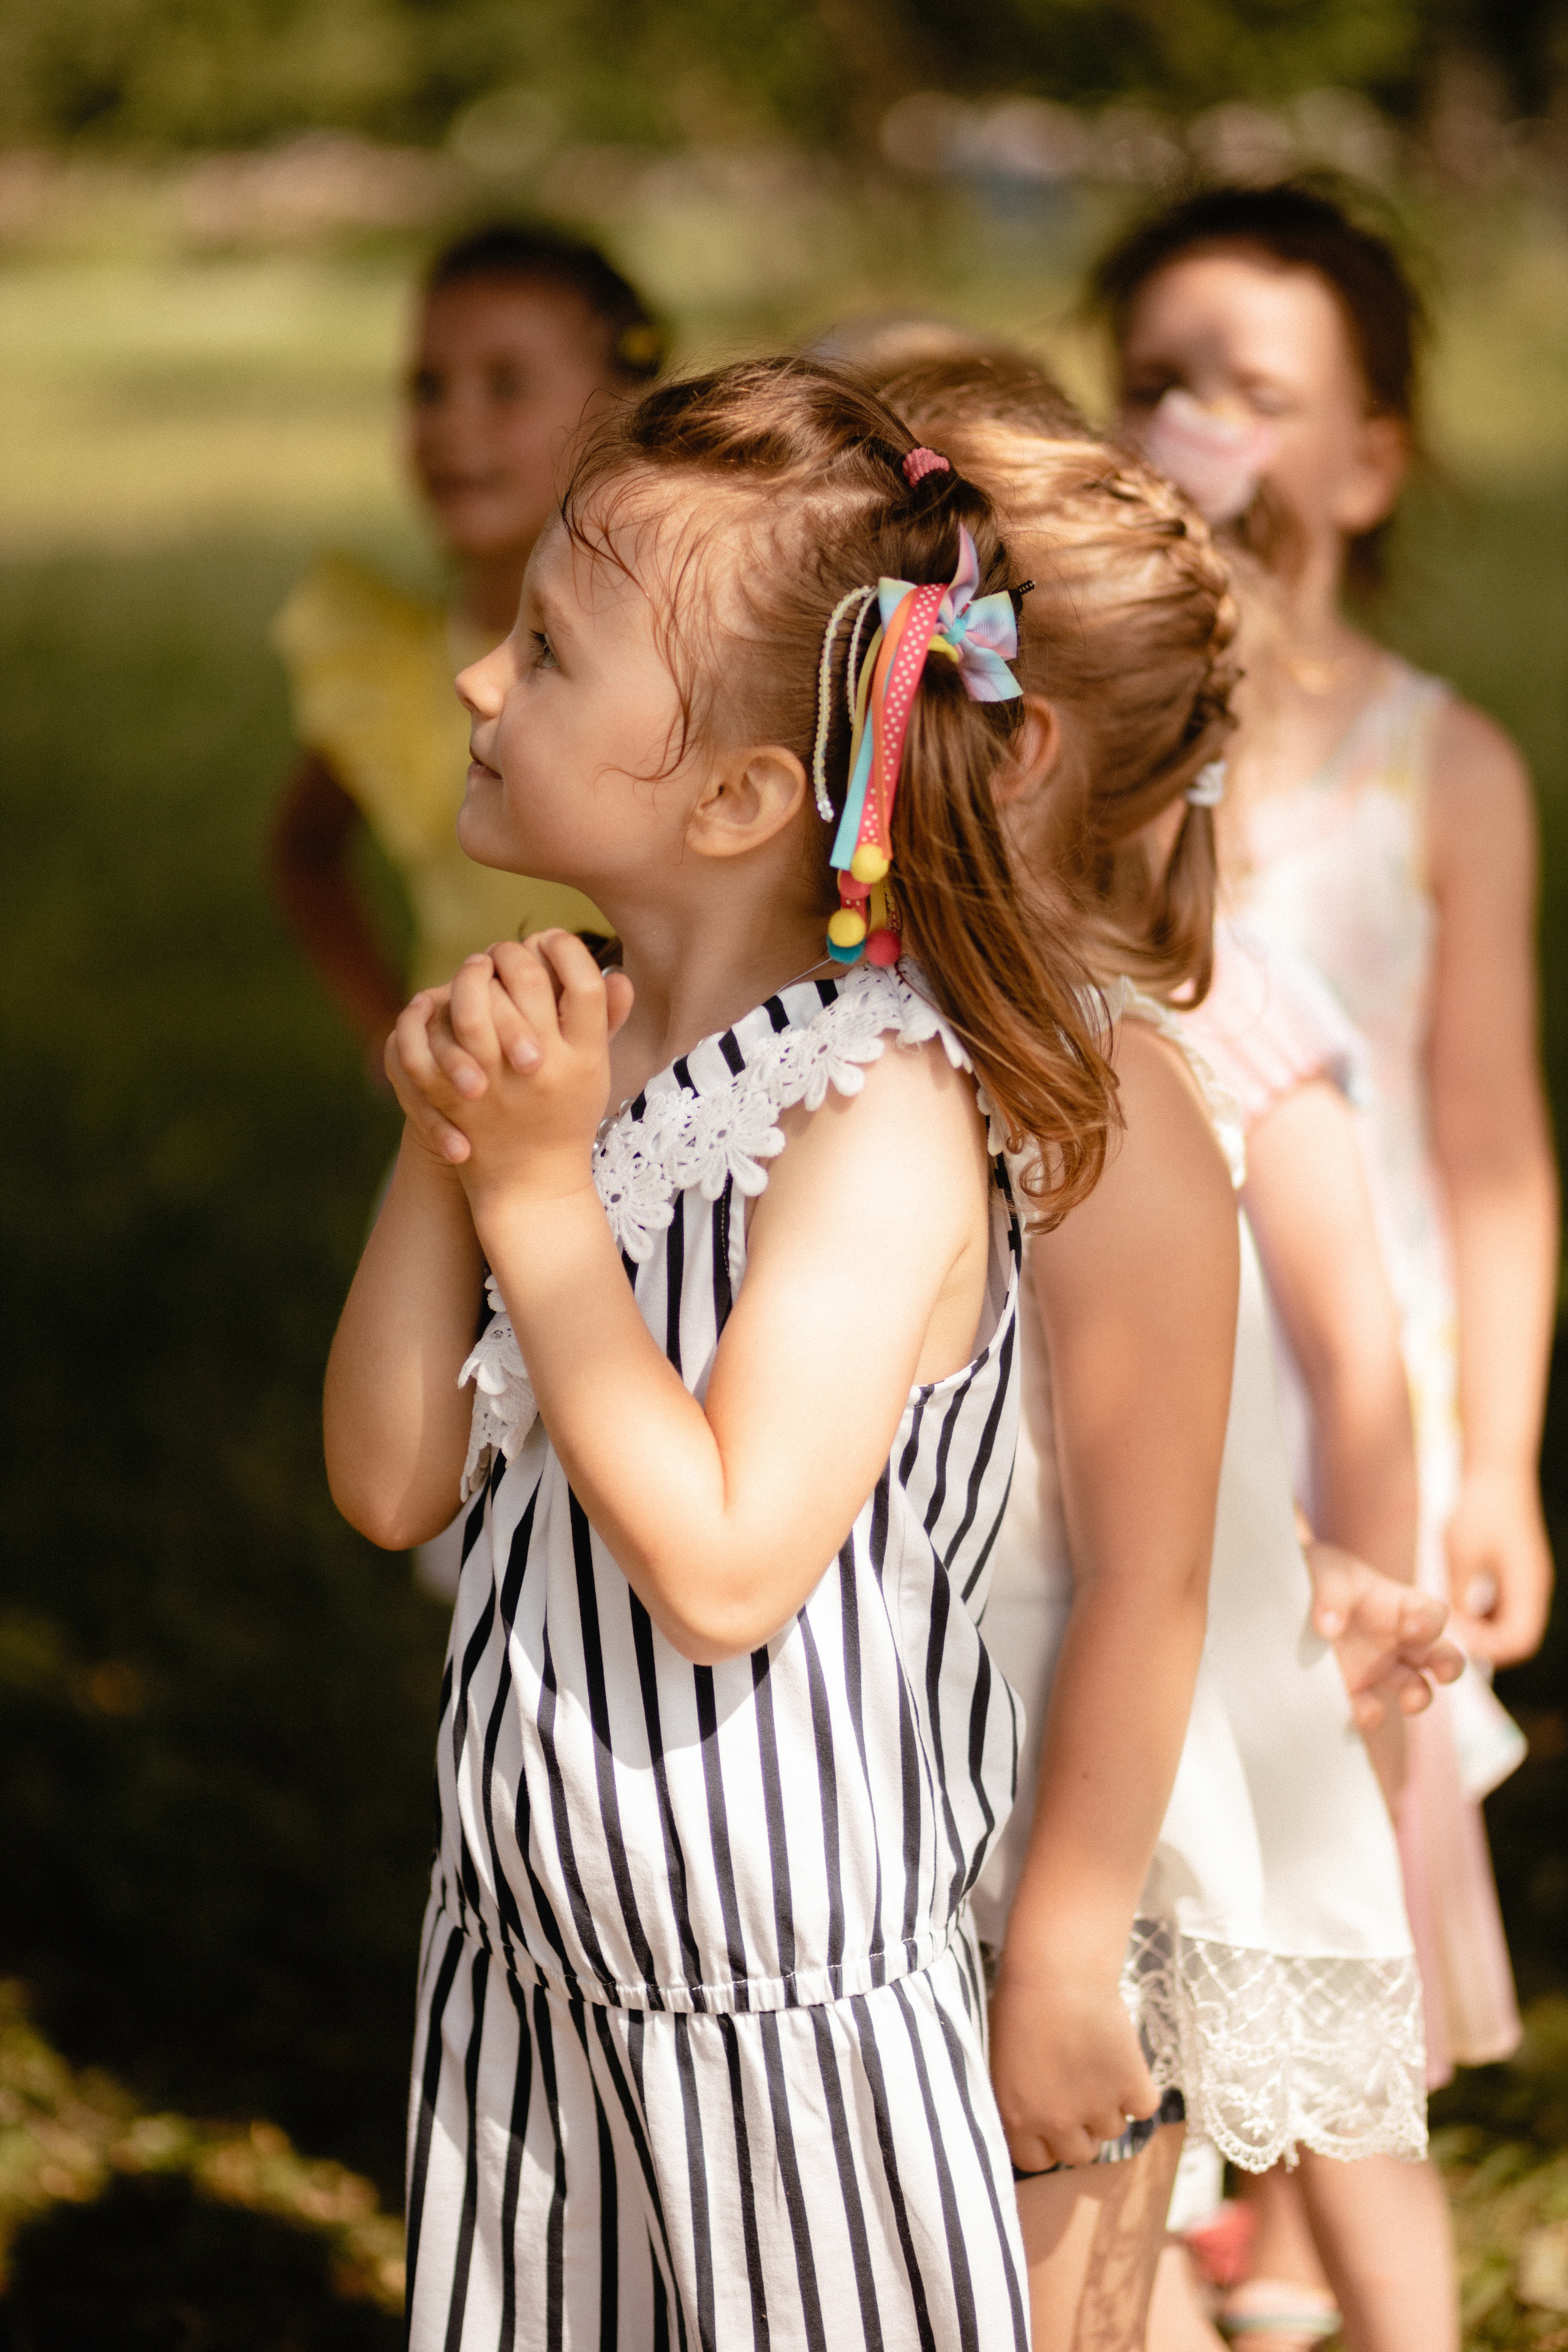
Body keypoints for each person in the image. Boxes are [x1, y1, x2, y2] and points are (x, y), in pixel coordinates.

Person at [320, 356, 1163, 2348]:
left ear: (730, 797)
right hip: (535, 1939)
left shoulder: (875, 1112)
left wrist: (531, 1194)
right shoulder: (573, 1040)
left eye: (545, 650)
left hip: (783, 1988)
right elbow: (385, 1484)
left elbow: (721, 1568)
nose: (476, 684)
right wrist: (444, 1137)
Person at [880, 352, 1463, 2352]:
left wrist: (1061, 1949)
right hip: (900, 1792)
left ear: (1000, 737)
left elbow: (1137, 1514)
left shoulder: (1096, 1085)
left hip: (1080, 1823)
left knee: (1057, 2305)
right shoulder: (852, 1049)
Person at [1093, 179, 1558, 2084]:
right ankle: (1163, 2117)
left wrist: (1499, 1463)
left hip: (1363, 1372)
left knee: (1343, 1765)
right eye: (1151, 380)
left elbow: (1493, 1141)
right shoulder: (1068, 747)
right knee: (1145, 1717)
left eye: (1256, 391)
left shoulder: (1437, 767)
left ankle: (1300, 2207)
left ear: (1370, 462)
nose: (1198, 426)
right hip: (1146, 1346)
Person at [268, 224, 665, 1079]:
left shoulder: (671, 662)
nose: (455, 425)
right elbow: (303, 856)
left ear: (625, 399)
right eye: (428, 387)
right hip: (468, 1113)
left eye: (506, 385)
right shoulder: (395, 668)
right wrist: (383, 1036)